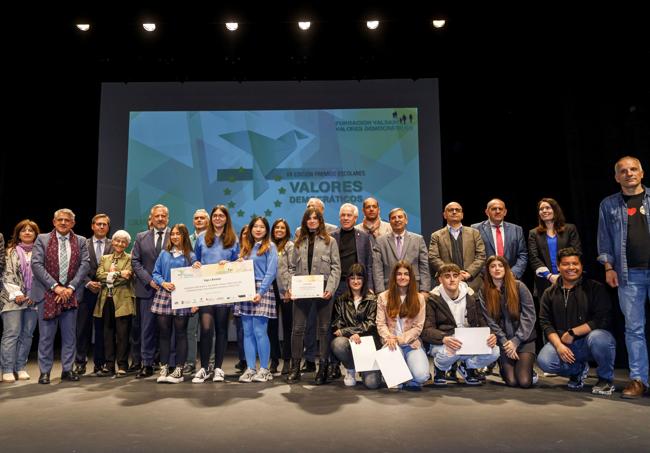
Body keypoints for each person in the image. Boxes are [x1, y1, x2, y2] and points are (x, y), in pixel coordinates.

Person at [597, 156, 649, 398]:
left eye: (633, 169)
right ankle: (639, 379)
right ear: (617, 177)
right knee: (634, 329)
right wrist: (609, 267)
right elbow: (604, 240)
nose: (629, 174)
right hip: (629, 275)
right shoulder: (608, 205)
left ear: (642, 172)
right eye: (623, 171)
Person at [537, 248, 616, 395]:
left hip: (589, 342)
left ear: (581, 266)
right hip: (565, 344)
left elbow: (603, 319)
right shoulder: (549, 293)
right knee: (545, 361)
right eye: (566, 264)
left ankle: (606, 379)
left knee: (600, 337)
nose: (571, 268)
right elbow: (545, 323)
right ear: (559, 267)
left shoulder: (594, 287)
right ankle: (578, 370)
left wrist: (574, 332)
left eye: (575, 264)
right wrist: (559, 345)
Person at [31, 208, 90, 384]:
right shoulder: (42, 239)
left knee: (70, 335)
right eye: (60, 220)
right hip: (47, 293)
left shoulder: (80, 241)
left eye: (67, 220)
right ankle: (45, 372)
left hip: (71, 294)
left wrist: (70, 288)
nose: (63, 223)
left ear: (73, 223)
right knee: (46, 336)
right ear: (54, 222)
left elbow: (85, 265)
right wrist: (56, 287)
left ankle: (67, 370)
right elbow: (36, 264)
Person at [286, 207, 341, 384]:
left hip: (323, 289)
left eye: (315, 218)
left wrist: (331, 289)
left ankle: (322, 368)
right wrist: (291, 287)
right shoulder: (298, 242)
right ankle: (295, 368)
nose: (312, 221)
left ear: (320, 221)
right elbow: (292, 268)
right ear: (305, 221)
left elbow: (335, 267)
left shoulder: (330, 241)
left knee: (324, 329)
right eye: (309, 218)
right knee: (298, 329)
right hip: (301, 290)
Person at [422, 263, 499, 386]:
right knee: (448, 353)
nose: (452, 279)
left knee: (494, 351)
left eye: (455, 275)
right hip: (444, 342)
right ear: (440, 279)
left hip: (468, 341)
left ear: (460, 277)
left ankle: (467, 366)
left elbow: (482, 320)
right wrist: (444, 338)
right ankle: (440, 368)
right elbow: (426, 330)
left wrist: (490, 335)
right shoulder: (433, 299)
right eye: (447, 276)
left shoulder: (471, 296)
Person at [192, 205, 240, 383]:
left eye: (221, 216)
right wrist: (195, 263)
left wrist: (231, 263)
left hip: (224, 291)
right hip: (206, 291)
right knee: (205, 329)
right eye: (215, 216)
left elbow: (237, 263)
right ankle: (204, 368)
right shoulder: (202, 237)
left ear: (226, 219)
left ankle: (218, 368)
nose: (218, 218)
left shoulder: (233, 239)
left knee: (221, 330)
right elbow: (195, 258)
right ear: (211, 219)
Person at [329, 203, 374, 379]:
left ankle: (361, 363)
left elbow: (369, 263)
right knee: (334, 325)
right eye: (343, 215)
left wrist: (369, 285)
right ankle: (334, 364)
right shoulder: (332, 237)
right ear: (339, 217)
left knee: (361, 322)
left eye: (349, 215)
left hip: (358, 285)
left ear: (355, 218)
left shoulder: (363, 237)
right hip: (337, 286)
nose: (346, 218)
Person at [479, 256, 537, 388]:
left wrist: (516, 341)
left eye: (500, 265)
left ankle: (529, 370)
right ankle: (504, 367)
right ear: (488, 271)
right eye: (493, 266)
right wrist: (505, 343)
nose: (497, 269)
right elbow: (490, 321)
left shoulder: (519, 286)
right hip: (503, 342)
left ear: (506, 268)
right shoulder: (484, 291)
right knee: (512, 381)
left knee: (524, 382)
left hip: (523, 340)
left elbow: (529, 316)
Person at [234, 217, 279, 383]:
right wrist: (234, 263)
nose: (258, 229)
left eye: (262, 227)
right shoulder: (246, 247)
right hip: (245, 290)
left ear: (266, 230)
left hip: (262, 290)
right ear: (251, 229)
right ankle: (251, 368)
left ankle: (265, 369)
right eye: (255, 227)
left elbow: (271, 272)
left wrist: (261, 291)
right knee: (247, 332)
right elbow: (242, 268)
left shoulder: (270, 246)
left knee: (260, 331)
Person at [151, 224, 196, 384]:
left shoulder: (190, 255)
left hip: (182, 297)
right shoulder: (164, 254)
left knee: (181, 334)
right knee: (164, 334)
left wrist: (197, 267)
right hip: (164, 295)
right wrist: (163, 283)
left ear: (184, 236)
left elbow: (196, 276)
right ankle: (164, 367)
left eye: (178, 234)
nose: (175, 236)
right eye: (173, 234)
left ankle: (179, 370)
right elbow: (155, 273)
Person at [376, 261, 430, 389]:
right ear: (394, 277)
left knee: (421, 376)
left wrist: (399, 339)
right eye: (399, 274)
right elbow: (380, 323)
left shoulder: (419, 298)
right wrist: (389, 337)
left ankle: (406, 372)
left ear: (411, 277)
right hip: (390, 343)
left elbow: (418, 327)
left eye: (406, 274)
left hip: (411, 343)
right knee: (396, 383)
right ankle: (400, 374)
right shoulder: (383, 297)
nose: (402, 277)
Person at [131, 204, 170, 378]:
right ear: (151, 218)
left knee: (169, 329)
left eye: (163, 216)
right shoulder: (141, 237)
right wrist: (150, 280)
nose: (160, 219)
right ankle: (146, 364)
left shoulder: (175, 236)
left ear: (167, 218)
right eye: (157, 216)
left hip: (170, 290)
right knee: (146, 328)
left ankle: (169, 363)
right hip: (147, 289)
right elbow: (135, 262)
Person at [331, 263, 382, 389]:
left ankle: (370, 370)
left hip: (368, 344)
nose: (356, 281)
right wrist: (350, 335)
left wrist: (353, 332)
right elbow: (337, 325)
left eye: (359, 278)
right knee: (338, 343)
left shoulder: (372, 299)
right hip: (349, 342)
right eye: (352, 278)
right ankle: (351, 368)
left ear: (364, 280)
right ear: (347, 280)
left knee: (372, 384)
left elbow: (371, 324)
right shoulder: (340, 300)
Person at [1, 220, 40, 382]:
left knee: (27, 334)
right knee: (12, 334)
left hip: (34, 299)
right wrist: (17, 293)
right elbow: (6, 274)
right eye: (23, 230)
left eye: (31, 230)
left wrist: (34, 295)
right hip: (12, 298)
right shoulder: (10, 251)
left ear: (36, 234)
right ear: (18, 233)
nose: (27, 232)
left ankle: (20, 367)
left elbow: (41, 276)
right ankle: (7, 369)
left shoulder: (40, 252)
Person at [74, 213, 111, 376]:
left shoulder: (114, 244)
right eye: (98, 224)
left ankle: (100, 363)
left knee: (102, 329)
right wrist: (88, 283)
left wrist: (102, 283)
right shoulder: (83, 243)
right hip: (85, 292)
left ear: (108, 227)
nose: (101, 227)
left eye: (104, 224)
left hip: (106, 292)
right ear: (92, 226)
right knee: (82, 329)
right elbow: (76, 266)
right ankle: (80, 362)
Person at [94, 230, 135, 377]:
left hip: (123, 301)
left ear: (127, 244)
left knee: (123, 335)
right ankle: (109, 365)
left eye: (123, 242)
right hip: (106, 300)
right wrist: (117, 273)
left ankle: (122, 365)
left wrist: (111, 275)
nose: (120, 244)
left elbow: (127, 277)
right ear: (112, 242)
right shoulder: (104, 258)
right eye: (117, 240)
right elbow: (99, 276)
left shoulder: (130, 258)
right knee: (107, 333)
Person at [528, 197, 582, 297]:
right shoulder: (533, 233)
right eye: (541, 209)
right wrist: (549, 276)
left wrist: (563, 274)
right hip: (545, 281)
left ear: (555, 210)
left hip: (569, 277)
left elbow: (576, 252)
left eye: (548, 208)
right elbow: (533, 257)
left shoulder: (570, 229)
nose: (544, 211)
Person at [428, 202, 486, 292]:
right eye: (451, 210)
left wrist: (468, 273)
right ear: (444, 215)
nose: (454, 212)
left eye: (457, 210)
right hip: (446, 283)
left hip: (472, 281)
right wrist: (450, 273)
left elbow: (481, 256)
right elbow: (433, 257)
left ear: (462, 215)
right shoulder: (436, 235)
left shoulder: (474, 233)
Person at [373, 207, 431, 293]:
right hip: (388, 289)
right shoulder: (380, 241)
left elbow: (424, 266)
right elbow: (377, 268)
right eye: (393, 218)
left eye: (400, 217)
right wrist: (380, 292)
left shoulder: (418, 239)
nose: (397, 220)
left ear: (406, 220)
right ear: (390, 222)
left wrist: (425, 290)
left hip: (414, 288)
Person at [471, 199, 528, 279]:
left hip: (512, 278)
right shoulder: (475, 229)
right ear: (487, 212)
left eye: (500, 209)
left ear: (505, 212)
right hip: (485, 279)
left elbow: (522, 255)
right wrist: (488, 274)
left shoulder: (516, 229)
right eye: (494, 209)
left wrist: (513, 273)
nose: (497, 211)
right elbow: (473, 255)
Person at [185, 208, 209, 374]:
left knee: (209, 329)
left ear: (207, 221)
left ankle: (211, 363)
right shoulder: (186, 240)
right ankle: (190, 362)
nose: (199, 220)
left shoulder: (214, 238)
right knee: (190, 329)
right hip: (190, 289)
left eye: (202, 218)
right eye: (196, 218)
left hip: (209, 287)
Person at [271, 218, 293, 375]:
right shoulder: (268, 246)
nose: (279, 230)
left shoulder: (290, 246)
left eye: (282, 228)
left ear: (286, 231)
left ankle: (287, 360)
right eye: (276, 227)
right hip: (269, 291)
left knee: (288, 327)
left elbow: (292, 268)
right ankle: (274, 360)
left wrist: (289, 289)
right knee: (271, 328)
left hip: (285, 291)